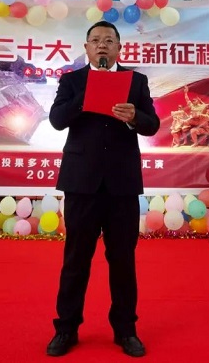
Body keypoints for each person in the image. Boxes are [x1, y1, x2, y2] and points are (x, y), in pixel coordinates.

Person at [46, 21, 160, 358]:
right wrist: (86, 96)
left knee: (122, 260)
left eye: (109, 40)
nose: (102, 45)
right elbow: (56, 119)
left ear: (119, 48)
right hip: (82, 183)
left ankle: (126, 330)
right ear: (86, 48)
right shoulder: (72, 81)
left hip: (122, 184)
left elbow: (152, 124)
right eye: (95, 40)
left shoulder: (136, 82)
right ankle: (66, 329)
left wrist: (134, 116)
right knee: (76, 260)